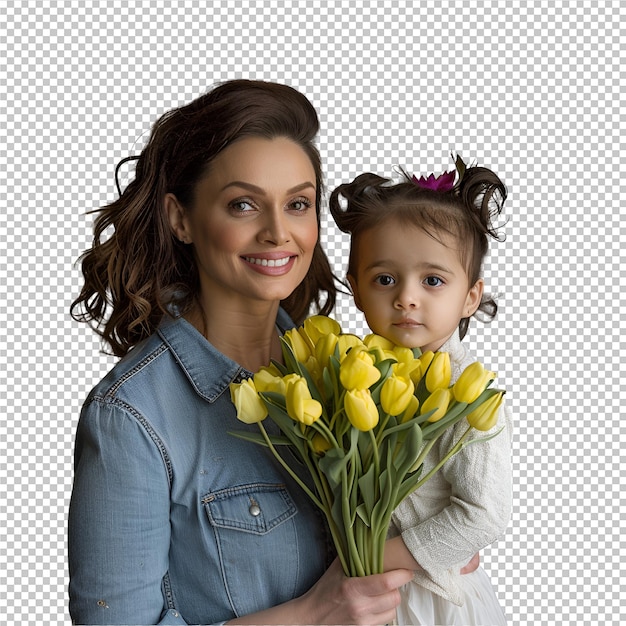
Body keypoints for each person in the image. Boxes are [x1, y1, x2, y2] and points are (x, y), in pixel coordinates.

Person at [68, 79, 415, 626]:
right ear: (180, 218)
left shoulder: (345, 372)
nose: (279, 233)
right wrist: (311, 615)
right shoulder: (131, 418)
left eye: (297, 203)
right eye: (244, 205)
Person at [329, 158, 513, 625]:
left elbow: (483, 515)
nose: (406, 297)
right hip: (360, 597)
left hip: (431, 601)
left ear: (471, 295)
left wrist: (371, 560)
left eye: (433, 280)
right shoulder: (351, 375)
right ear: (355, 289)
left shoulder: (470, 393)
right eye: (385, 279)